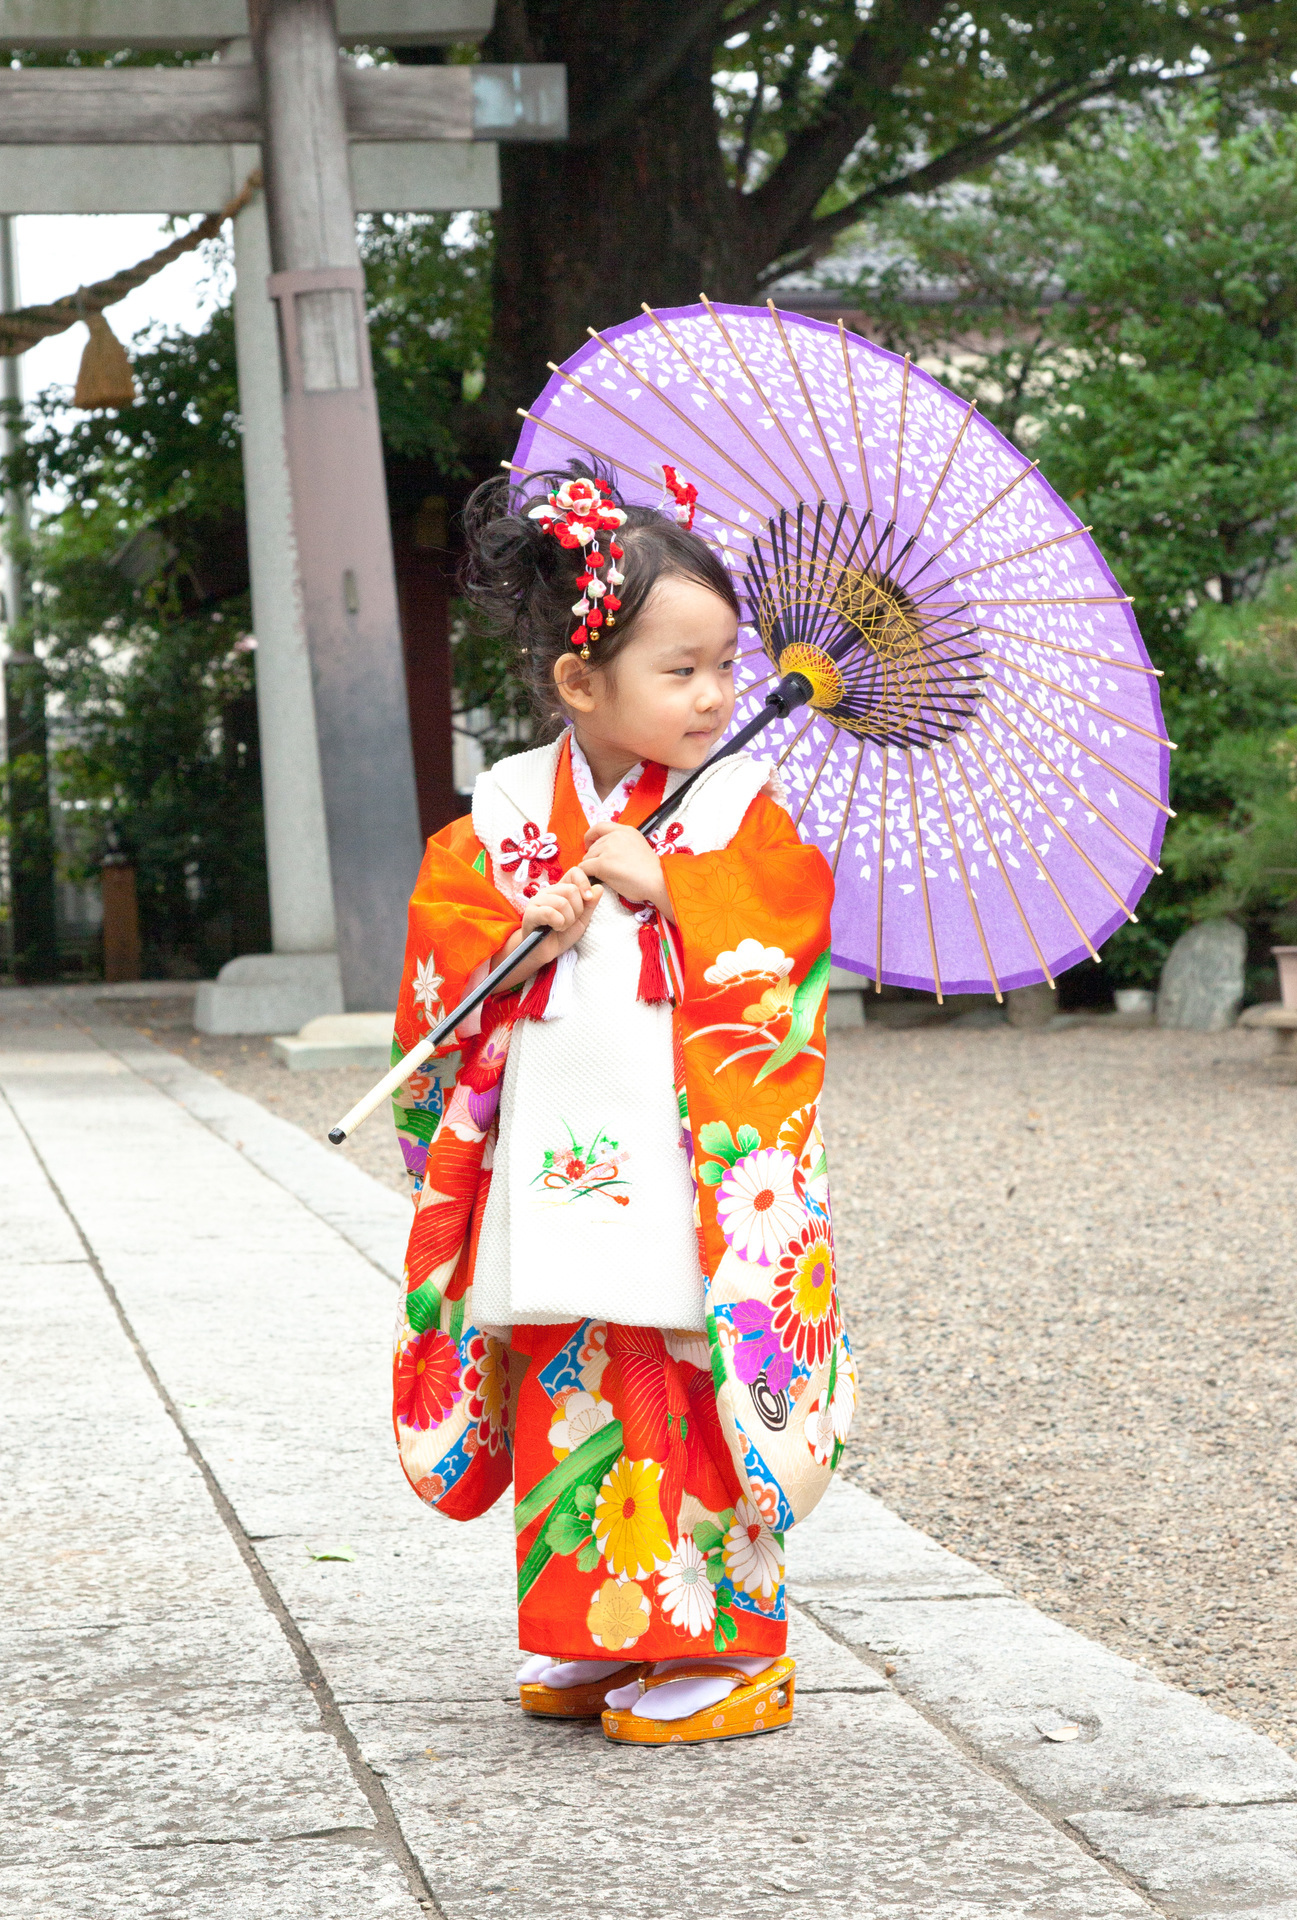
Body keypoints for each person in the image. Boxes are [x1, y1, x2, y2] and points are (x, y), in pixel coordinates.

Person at [389, 463, 855, 1745]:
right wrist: (512, 926)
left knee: (687, 1371)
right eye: (681, 670)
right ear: (578, 686)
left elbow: (787, 946)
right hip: (554, 1156)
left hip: (684, 1170)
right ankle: (596, 1631)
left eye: (724, 665)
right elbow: (445, 953)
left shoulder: (740, 816)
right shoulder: (502, 814)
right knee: (564, 1363)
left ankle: (729, 1647)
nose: (717, 696)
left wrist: (678, 893)